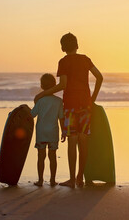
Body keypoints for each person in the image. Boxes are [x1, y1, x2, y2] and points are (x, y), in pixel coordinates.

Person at [33, 33, 103, 188]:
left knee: (72, 141)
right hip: (85, 105)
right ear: (77, 45)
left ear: (63, 47)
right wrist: (93, 99)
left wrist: (43, 93)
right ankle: (80, 178)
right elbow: (100, 77)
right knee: (83, 140)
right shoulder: (85, 59)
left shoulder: (63, 62)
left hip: (70, 106)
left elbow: (63, 85)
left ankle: (72, 179)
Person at [31, 73, 64, 187]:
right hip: (53, 133)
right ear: (54, 85)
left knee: (41, 156)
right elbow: (61, 118)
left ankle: (40, 180)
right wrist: (64, 131)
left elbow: (32, 115)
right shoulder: (59, 101)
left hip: (41, 133)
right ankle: (52, 180)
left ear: (42, 86)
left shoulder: (40, 101)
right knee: (52, 156)